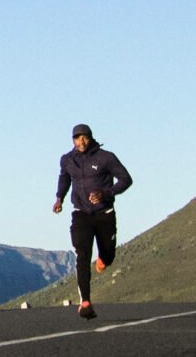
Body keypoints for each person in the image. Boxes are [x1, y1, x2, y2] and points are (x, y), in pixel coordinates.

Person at [53, 124, 133, 319]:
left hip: (104, 213)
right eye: (77, 138)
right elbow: (64, 178)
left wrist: (106, 193)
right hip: (81, 213)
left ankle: (104, 259)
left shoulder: (106, 157)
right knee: (82, 253)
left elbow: (126, 179)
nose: (81, 141)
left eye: (84, 138)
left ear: (90, 138)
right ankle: (86, 302)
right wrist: (59, 198)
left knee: (108, 253)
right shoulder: (67, 160)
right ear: (72, 140)